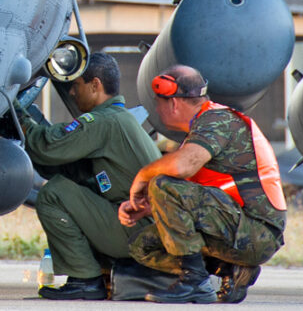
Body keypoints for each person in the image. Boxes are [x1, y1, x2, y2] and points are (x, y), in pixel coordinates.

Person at [117, 65, 286, 304]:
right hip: (233, 226)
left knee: (162, 183)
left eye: (158, 102)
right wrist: (152, 207)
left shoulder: (217, 119)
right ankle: (229, 269)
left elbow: (183, 167)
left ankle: (194, 281)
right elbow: (194, 195)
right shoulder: (200, 130)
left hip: (257, 231)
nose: (156, 109)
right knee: (142, 246)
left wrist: (143, 176)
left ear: (173, 103)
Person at [17, 52, 161, 300]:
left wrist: (18, 116)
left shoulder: (103, 121)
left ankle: (84, 279)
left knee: (54, 194)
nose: (72, 92)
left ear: (95, 85)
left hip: (138, 230)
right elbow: (69, 167)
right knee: (69, 185)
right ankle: (95, 273)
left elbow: (48, 147)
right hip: (147, 227)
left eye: (76, 85)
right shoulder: (120, 119)